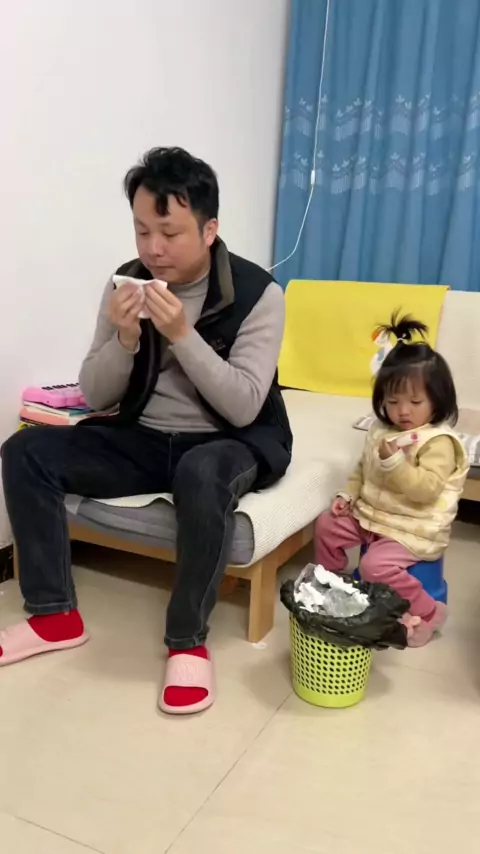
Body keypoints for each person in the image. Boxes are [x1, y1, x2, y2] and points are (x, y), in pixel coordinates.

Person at [0, 146, 292, 713]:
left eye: (170, 233)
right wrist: (126, 338)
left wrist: (183, 334)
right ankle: (54, 616)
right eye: (141, 231)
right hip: (143, 436)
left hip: (228, 440)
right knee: (26, 450)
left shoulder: (259, 295)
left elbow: (243, 405)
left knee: (201, 472)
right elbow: (96, 394)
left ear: (209, 230)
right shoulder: (127, 284)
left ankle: (187, 641)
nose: (153, 248)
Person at [315, 313, 469, 647]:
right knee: (327, 525)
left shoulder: (437, 442)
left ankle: (430, 611)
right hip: (372, 516)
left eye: (415, 402)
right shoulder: (381, 430)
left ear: (437, 399)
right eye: (393, 401)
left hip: (410, 528)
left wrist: (395, 463)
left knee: (373, 566)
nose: (403, 411)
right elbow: (363, 469)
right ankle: (333, 584)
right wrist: (347, 495)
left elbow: (426, 490)